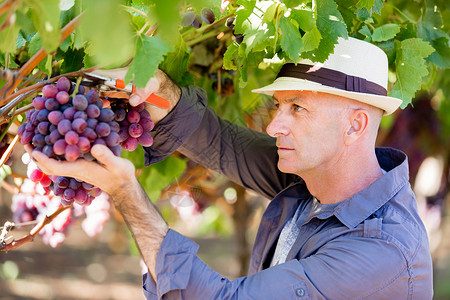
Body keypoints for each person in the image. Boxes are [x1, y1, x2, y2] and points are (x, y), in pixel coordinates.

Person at [29, 37, 433, 299]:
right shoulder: (319, 180)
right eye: (279, 106)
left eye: (298, 108)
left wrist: (126, 194)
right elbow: (221, 143)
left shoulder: (380, 253)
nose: (275, 125)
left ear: (355, 125)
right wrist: (160, 91)